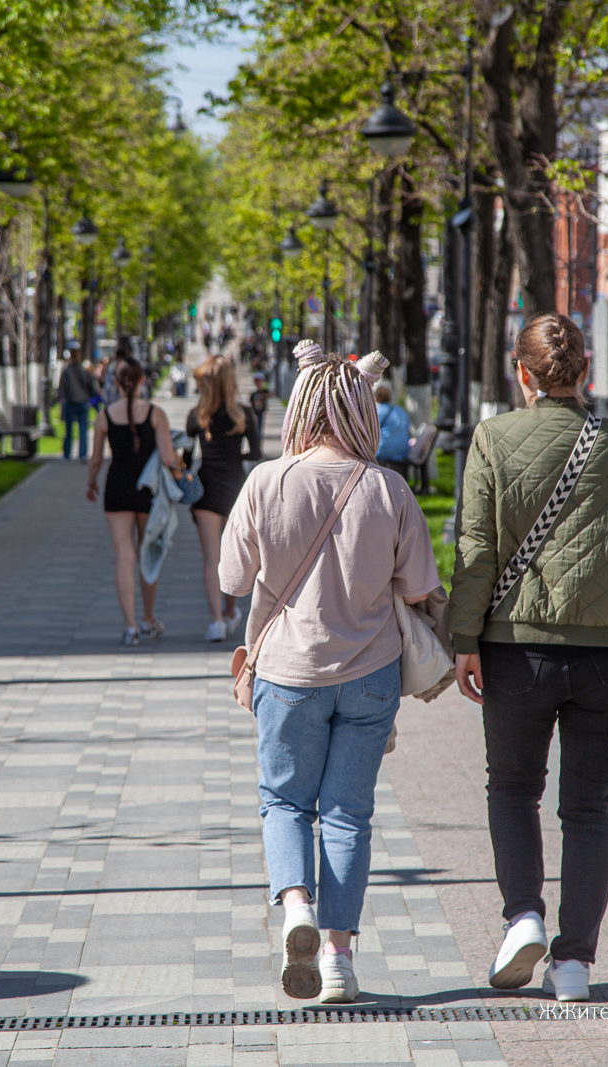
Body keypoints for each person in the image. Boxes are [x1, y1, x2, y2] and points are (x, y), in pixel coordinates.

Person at [449, 314, 608, 1002]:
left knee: (513, 789)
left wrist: (464, 640)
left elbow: (477, 551)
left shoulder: (493, 438)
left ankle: (523, 915)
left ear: (524, 373)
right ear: (585, 372)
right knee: (590, 809)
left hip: (517, 651)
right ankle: (574, 962)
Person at [220, 341, 442, 1005]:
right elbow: (419, 585)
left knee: (285, 801)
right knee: (347, 814)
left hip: (287, 672)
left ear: (298, 406)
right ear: (360, 409)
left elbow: (232, 579)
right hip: (370, 672)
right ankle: (340, 960)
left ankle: (296, 909)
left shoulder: (266, 480)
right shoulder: (389, 488)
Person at [88, 355, 180, 646]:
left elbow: (94, 460)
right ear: (143, 380)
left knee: (124, 556)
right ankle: (149, 620)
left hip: (116, 488)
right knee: (148, 554)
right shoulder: (156, 414)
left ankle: (130, 627)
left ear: (115, 382)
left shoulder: (105, 416)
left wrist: (91, 483)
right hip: (148, 491)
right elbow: (167, 458)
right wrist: (183, 468)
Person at [186, 356, 263, 642]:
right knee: (235, 557)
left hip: (206, 488)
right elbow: (255, 454)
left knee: (211, 559)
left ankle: (216, 620)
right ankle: (230, 613)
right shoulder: (244, 414)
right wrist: (234, 456)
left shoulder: (197, 415)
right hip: (235, 489)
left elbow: (184, 459)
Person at [57, 349, 96, 461]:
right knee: (83, 429)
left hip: (70, 403)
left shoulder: (66, 372)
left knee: (68, 430)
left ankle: (67, 454)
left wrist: (56, 401)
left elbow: (62, 389)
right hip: (83, 403)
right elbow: (92, 388)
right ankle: (82, 454)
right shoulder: (84, 371)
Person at [373, 384, 412, 476]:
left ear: (376, 397)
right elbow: (408, 428)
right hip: (403, 450)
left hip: (384, 451)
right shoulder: (400, 410)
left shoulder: (377, 412)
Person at [248, 373, 271, 440]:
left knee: (259, 429)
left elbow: (270, 394)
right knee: (255, 429)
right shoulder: (254, 394)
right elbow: (251, 403)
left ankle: (259, 442)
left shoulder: (264, 392)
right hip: (254, 413)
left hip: (260, 413)